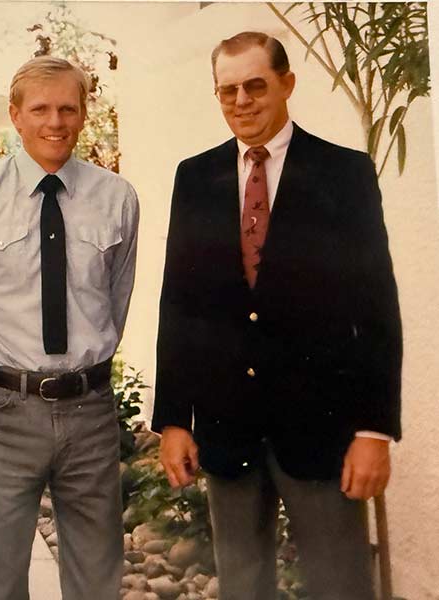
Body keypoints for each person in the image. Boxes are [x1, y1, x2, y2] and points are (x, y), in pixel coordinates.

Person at [152, 31, 402, 600]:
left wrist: (373, 430)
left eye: (255, 85)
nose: (241, 101)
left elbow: (377, 307)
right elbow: (181, 302)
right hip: (226, 425)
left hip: (322, 429)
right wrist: (173, 418)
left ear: (287, 84)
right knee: (242, 587)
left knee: (341, 584)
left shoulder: (345, 174)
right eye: (227, 91)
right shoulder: (195, 177)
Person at [0, 55, 140, 600]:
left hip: (90, 412)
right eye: (41, 109)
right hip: (8, 415)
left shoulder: (117, 198)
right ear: (14, 115)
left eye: (68, 109)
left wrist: (86, 371)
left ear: (83, 114)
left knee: (98, 574)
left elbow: (114, 301)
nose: (56, 122)